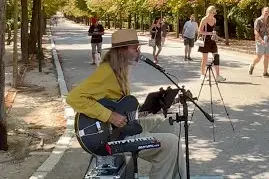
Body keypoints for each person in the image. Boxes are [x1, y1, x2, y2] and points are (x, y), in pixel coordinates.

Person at [66, 29, 186, 179]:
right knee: (171, 143)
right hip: (112, 138)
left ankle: (169, 174)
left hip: (124, 128)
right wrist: (109, 116)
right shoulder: (106, 71)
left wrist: (153, 106)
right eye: (135, 48)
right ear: (122, 50)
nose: (138, 51)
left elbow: (124, 106)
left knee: (169, 124)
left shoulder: (119, 70)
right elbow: (73, 97)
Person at [198, 6, 226, 82]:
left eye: (214, 12)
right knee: (205, 59)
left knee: (216, 57)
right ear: (208, 12)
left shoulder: (214, 20)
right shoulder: (204, 19)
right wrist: (209, 33)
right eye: (212, 12)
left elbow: (213, 31)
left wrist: (219, 38)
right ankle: (202, 74)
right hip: (205, 41)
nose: (213, 14)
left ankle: (218, 76)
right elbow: (199, 31)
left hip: (212, 41)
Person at [248, 6, 269, 78]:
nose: (267, 12)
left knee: (267, 56)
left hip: (268, 41)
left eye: (268, 11)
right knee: (259, 57)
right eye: (265, 11)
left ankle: (265, 73)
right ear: (262, 12)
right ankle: (252, 65)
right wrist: (261, 40)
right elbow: (255, 31)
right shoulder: (258, 20)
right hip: (260, 41)